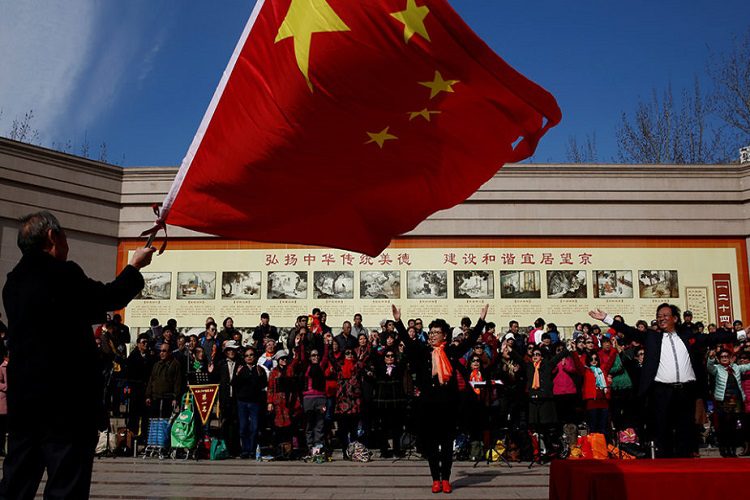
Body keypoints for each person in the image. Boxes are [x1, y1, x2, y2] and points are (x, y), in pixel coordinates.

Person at [0, 211, 154, 499]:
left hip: (25, 403)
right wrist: (135, 265)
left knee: (17, 481)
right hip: (65, 402)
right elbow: (109, 297)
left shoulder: (13, 283)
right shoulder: (62, 274)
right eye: (65, 235)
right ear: (52, 236)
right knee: (66, 483)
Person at [589, 304, 736, 457]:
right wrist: (606, 318)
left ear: (675, 318)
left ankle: (685, 462)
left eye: (665, 315)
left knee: (685, 429)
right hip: (662, 391)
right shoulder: (652, 337)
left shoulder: (687, 336)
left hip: (686, 391)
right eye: (659, 316)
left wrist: (740, 334)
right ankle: (665, 462)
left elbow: (712, 338)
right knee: (663, 429)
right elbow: (629, 331)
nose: (661, 319)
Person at [393, 303, 488, 494]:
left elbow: (470, 342)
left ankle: (446, 478)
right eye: (431, 332)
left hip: (448, 405)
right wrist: (398, 322)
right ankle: (435, 479)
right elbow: (408, 342)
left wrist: (481, 321)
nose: (433, 335)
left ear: (445, 335)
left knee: (446, 444)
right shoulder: (423, 352)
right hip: (428, 405)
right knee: (431, 444)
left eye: (437, 332)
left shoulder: (450, 352)